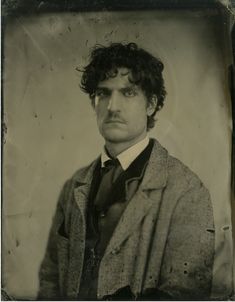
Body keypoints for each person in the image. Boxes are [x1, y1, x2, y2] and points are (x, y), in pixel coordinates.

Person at [38, 42, 215, 300]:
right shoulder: (74, 186)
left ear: (151, 105)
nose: (112, 107)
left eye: (128, 92)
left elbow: (185, 293)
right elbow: (51, 280)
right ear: (94, 102)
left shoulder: (187, 191)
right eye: (103, 93)